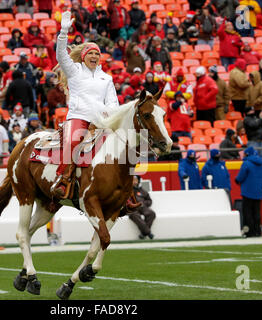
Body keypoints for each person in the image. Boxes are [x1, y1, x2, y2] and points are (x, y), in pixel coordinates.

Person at [50, 11, 119, 199]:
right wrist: (63, 32)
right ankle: (63, 179)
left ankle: (126, 189)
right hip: (78, 117)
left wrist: (107, 116)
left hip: (102, 121)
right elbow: (61, 55)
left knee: (123, 145)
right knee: (73, 141)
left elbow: (113, 101)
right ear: (83, 56)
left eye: (98, 53)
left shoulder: (107, 78)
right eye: (91, 53)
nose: (95, 56)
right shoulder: (74, 71)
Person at [235, 146, 262, 237]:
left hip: (247, 191)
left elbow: (240, 177)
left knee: (248, 212)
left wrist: (237, 180)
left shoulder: (246, 164)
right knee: (257, 212)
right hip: (258, 191)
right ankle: (258, 230)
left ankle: (250, 231)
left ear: (247, 154)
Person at [127, 176, 156, 240]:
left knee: (151, 213)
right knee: (134, 215)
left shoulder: (142, 191)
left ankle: (144, 233)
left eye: (135, 180)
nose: (134, 182)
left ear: (138, 181)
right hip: (133, 208)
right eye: (132, 180)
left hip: (143, 207)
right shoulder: (127, 190)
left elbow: (149, 201)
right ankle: (148, 232)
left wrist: (144, 203)